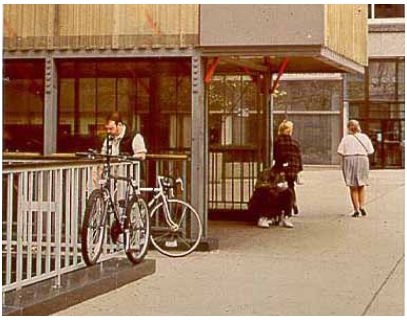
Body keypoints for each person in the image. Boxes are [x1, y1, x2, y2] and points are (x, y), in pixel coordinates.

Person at [337, 119, 374, 217]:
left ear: (349, 128)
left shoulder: (346, 139)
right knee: (361, 185)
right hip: (362, 159)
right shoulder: (364, 137)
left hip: (349, 159)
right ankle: (362, 206)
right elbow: (370, 151)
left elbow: (340, 151)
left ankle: (356, 209)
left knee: (353, 186)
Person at [273, 120, 303, 226]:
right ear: (289, 130)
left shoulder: (277, 141)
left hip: (281, 169)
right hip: (292, 170)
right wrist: (299, 171)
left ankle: (278, 213)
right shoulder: (295, 142)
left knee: (279, 190)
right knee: (290, 189)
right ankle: (290, 208)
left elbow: (276, 156)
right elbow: (298, 158)